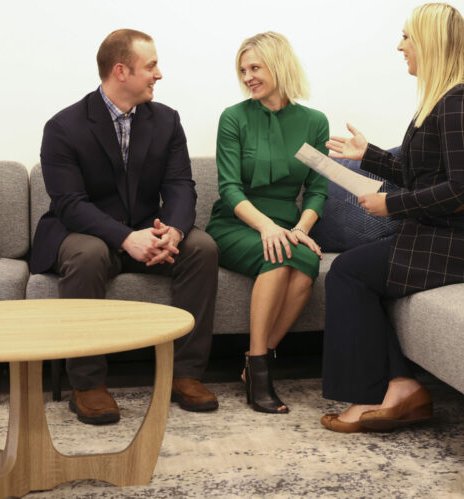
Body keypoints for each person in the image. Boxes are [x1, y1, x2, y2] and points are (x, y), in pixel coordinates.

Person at [320, 3, 464, 433]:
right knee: (354, 270)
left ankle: (377, 394)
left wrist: (392, 206)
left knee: (347, 272)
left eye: (407, 37)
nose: (400, 46)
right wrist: (370, 157)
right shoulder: (442, 101)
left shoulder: (460, 104)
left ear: (430, 42)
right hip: (450, 233)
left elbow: (463, 187)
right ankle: (400, 385)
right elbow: (421, 174)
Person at [30, 28, 220, 425]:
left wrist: (174, 231)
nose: (159, 74)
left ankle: (185, 375)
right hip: (88, 234)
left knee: (202, 248)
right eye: (150, 66)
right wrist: (125, 238)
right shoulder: (64, 127)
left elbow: (181, 185)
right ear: (121, 71)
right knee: (88, 254)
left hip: (146, 230)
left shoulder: (166, 120)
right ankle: (87, 384)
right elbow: (69, 204)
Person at [205, 32, 328, 414]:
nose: (248, 77)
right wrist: (267, 228)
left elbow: (317, 189)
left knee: (306, 265)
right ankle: (260, 368)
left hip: (289, 227)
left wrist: (300, 230)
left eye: (255, 68)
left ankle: (255, 361)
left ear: (278, 65)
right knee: (275, 255)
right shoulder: (234, 118)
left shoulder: (313, 122)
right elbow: (229, 187)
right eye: (243, 70)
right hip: (235, 223)